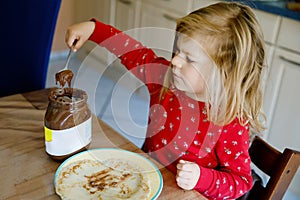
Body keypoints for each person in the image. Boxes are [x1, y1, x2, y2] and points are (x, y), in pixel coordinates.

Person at [65, 2, 266, 199]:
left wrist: (201, 178)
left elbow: (241, 181)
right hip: (146, 180)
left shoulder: (230, 119)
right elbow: (133, 52)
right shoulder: (165, 79)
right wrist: (95, 29)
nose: (175, 61)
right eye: (178, 51)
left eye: (189, 59)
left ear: (224, 74)